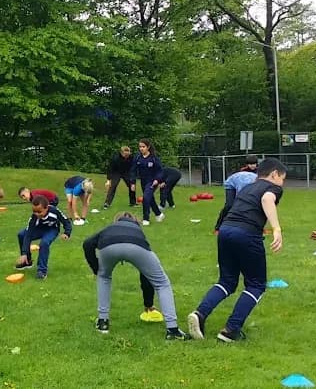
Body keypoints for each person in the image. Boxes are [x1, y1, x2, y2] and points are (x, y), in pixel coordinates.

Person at [187, 158, 286, 343]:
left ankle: (199, 314)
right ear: (274, 174)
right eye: (282, 178)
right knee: (256, 284)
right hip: (247, 233)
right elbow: (266, 199)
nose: (282, 183)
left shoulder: (248, 187)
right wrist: (277, 228)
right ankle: (231, 329)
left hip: (225, 230)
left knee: (227, 281)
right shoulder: (272, 188)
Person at [83, 212, 190, 340]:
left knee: (104, 277)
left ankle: (102, 322)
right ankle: (172, 330)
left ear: (116, 221)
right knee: (162, 283)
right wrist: (148, 304)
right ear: (136, 222)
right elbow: (146, 276)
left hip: (108, 246)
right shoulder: (137, 231)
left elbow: (87, 243)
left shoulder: (109, 228)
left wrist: (97, 269)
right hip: (136, 246)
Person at [15, 195, 72, 280]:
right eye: (34, 211)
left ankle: (42, 270)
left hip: (52, 230)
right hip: (39, 229)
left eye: (39, 212)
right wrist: (24, 253)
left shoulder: (54, 211)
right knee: (21, 235)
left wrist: (67, 233)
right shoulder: (34, 217)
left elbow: (66, 221)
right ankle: (27, 261)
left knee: (44, 243)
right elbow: (28, 234)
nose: (36, 214)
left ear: (46, 208)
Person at [214, 155, 259, 232]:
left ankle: (257, 227)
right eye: (250, 164)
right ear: (247, 164)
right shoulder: (243, 173)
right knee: (229, 205)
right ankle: (218, 226)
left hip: (248, 187)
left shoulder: (259, 173)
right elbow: (240, 188)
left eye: (254, 164)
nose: (252, 166)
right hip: (232, 185)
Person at [129, 139, 165, 226]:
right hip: (143, 182)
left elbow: (160, 171)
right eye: (140, 147)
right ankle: (159, 214)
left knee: (145, 198)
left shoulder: (154, 158)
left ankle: (146, 219)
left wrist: (157, 180)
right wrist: (132, 183)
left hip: (152, 182)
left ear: (148, 147)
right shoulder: (138, 158)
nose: (141, 149)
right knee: (150, 198)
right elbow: (133, 171)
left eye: (143, 147)